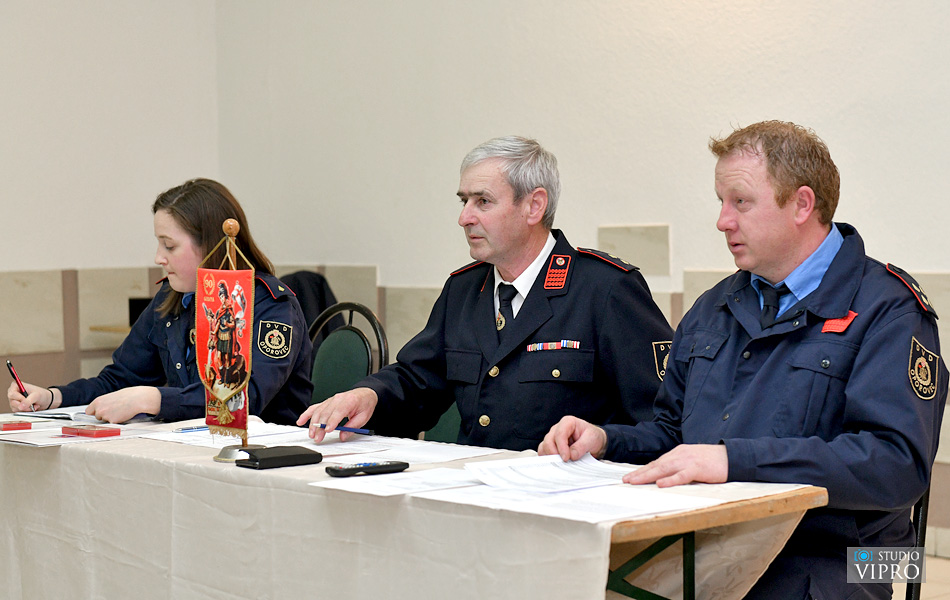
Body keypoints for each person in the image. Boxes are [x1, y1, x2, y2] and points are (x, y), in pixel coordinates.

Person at [540, 121, 947, 598]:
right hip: (708, 544)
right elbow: (672, 435)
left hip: (837, 560)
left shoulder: (889, 309)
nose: (723, 221)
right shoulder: (713, 307)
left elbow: (896, 466)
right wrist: (606, 439)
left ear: (802, 204)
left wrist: (735, 461)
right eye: (721, 201)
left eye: (741, 202)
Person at [299, 136, 672, 451]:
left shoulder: (605, 289)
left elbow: (664, 424)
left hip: (569, 497)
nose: (465, 217)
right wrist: (369, 395)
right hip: (475, 489)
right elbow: (419, 381)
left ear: (534, 206)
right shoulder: (464, 289)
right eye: (464, 201)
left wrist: (604, 441)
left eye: (483, 201)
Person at [7, 178, 313, 426]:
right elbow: (121, 379)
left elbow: (242, 399)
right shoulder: (171, 298)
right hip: (191, 448)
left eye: (169, 246)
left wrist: (153, 399)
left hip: (266, 455)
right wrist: (54, 397)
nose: (158, 258)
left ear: (210, 246)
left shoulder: (271, 304)